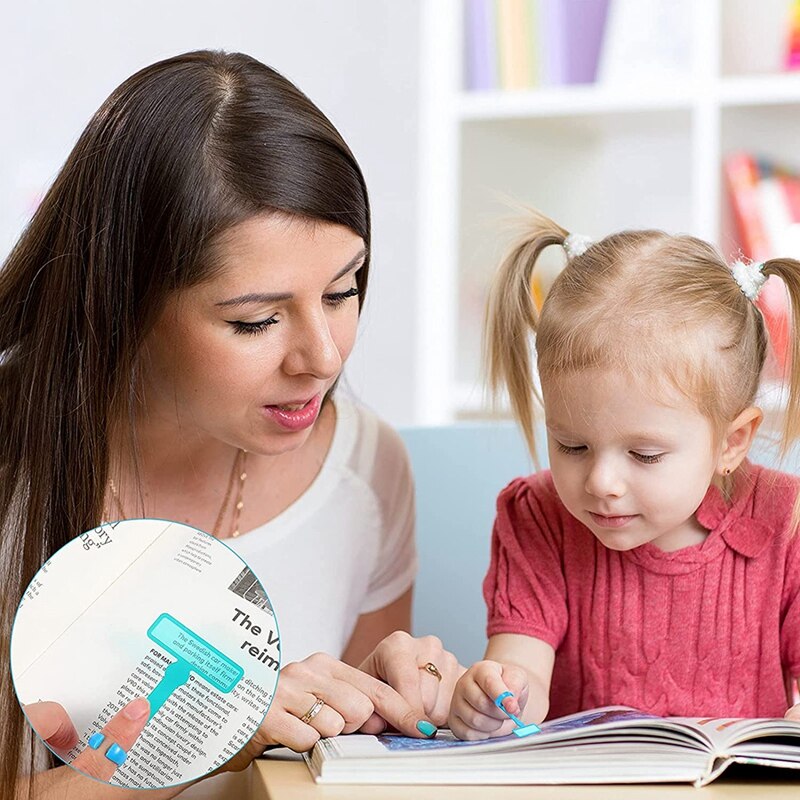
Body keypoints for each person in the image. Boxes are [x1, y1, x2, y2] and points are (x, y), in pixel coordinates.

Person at [0, 50, 461, 798]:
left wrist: (382, 706)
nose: (323, 356)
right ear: (126, 300)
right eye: (257, 320)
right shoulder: (16, 470)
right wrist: (206, 731)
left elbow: (347, 779)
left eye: (343, 290)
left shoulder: (366, 469)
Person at [448, 210, 800, 740]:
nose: (601, 482)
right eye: (572, 445)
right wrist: (496, 698)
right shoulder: (537, 517)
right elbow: (522, 674)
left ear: (731, 442)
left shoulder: (786, 522)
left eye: (645, 455)